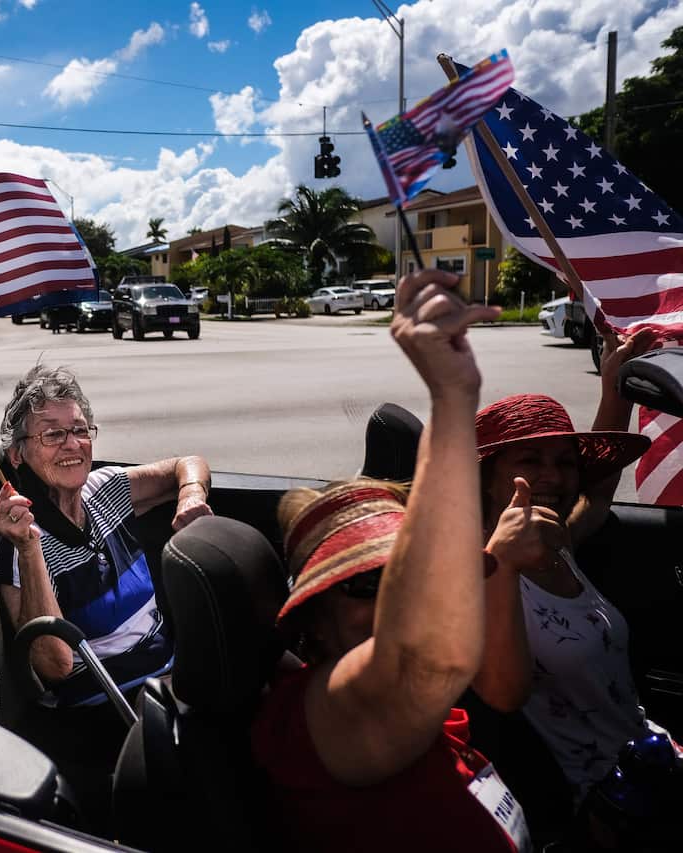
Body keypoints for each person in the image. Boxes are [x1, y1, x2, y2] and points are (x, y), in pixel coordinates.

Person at [251, 269, 531, 852]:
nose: (396, 598)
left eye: (400, 575)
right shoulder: (320, 713)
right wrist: (452, 396)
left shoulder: (425, 716)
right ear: (313, 625)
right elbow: (422, 658)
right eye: (365, 584)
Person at [476, 328, 677, 806]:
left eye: (565, 463)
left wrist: (615, 388)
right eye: (530, 460)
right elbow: (503, 697)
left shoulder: (557, 539)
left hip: (650, 757)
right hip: (600, 801)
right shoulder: (474, 571)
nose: (553, 476)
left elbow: (599, 492)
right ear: (484, 478)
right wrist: (500, 565)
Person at [0, 364, 213, 708]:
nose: (72, 445)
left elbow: (188, 463)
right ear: (17, 454)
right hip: (112, 700)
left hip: (170, 667)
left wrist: (192, 496)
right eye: (52, 435)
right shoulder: (20, 540)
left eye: (79, 430)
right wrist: (29, 549)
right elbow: (55, 665)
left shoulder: (104, 488)